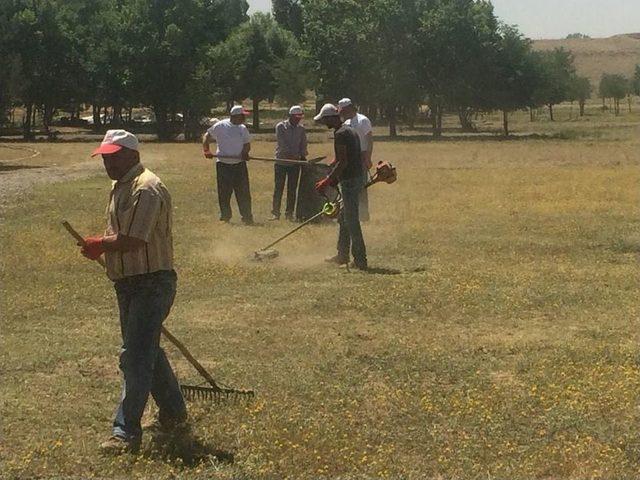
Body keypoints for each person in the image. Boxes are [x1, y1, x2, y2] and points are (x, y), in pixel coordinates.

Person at [78, 129, 187, 455]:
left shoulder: (147, 188)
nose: (107, 163)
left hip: (151, 283)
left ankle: (124, 433)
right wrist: (103, 247)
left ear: (132, 154)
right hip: (128, 283)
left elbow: (134, 239)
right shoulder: (121, 186)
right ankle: (175, 414)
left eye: (113, 156)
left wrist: (100, 244)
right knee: (146, 351)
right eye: (105, 157)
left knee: (135, 357)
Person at [313, 103, 367, 270]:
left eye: (324, 120)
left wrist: (327, 180)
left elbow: (343, 161)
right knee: (344, 218)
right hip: (355, 177)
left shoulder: (341, 134)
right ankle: (342, 255)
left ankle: (360, 260)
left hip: (350, 180)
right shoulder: (349, 130)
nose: (323, 123)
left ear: (331, 118)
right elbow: (344, 158)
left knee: (351, 221)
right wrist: (334, 165)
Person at [202, 105, 254, 225]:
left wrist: (245, 153)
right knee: (224, 193)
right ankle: (225, 217)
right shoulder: (220, 126)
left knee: (243, 192)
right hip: (223, 164)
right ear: (235, 116)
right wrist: (206, 150)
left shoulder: (242, 128)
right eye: (242, 116)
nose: (244, 119)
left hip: (239, 165)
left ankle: (247, 217)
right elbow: (207, 136)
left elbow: (247, 144)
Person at [338, 98, 373, 221]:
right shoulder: (346, 123)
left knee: (362, 186)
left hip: (361, 156)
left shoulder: (363, 120)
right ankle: (352, 212)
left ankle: (363, 214)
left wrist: (368, 157)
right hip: (350, 158)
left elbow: (369, 139)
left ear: (350, 108)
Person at [271, 105, 308, 221]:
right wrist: (294, 156)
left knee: (292, 189)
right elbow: (282, 145)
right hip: (281, 162)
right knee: (279, 188)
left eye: (300, 117)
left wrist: (303, 156)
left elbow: (303, 144)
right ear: (290, 116)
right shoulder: (281, 127)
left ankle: (289, 213)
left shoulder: (301, 129)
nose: (298, 119)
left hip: (294, 164)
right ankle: (275, 213)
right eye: (296, 117)